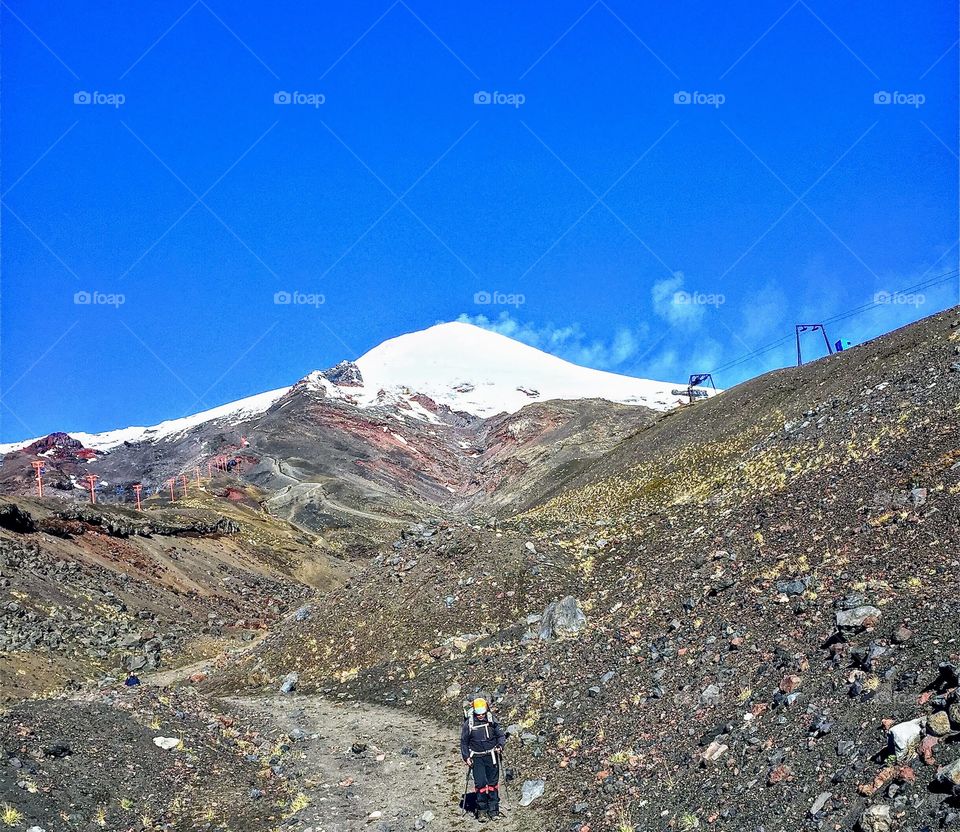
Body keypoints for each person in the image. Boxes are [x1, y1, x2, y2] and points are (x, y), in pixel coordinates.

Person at [460, 697, 506, 822]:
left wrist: (500, 746)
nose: (481, 716)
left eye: (483, 713)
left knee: (492, 784)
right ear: (474, 711)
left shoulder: (492, 720)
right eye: (478, 713)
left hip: (492, 756)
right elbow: (464, 742)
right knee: (480, 784)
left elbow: (500, 735)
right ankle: (482, 811)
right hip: (477, 757)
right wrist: (466, 757)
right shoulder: (468, 723)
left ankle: (494, 810)